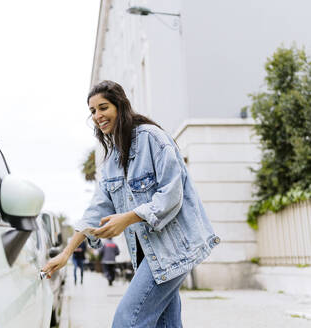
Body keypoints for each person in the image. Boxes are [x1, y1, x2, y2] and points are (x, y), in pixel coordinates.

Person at [42, 80, 220, 327]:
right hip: (148, 256)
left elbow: (172, 194)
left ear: (120, 106)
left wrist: (128, 217)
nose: (97, 115)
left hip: (172, 250)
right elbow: (96, 210)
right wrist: (66, 252)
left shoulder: (152, 138)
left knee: (127, 321)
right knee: (165, 324)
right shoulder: (111, 161)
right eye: (92, 111)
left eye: (103, 107)